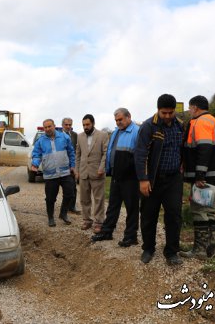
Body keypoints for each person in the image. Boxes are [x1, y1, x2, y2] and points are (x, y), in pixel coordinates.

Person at [134, 94, 184, 266]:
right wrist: (143, 179)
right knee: (148, 215)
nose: (168, 116)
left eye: (171, 113)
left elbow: (182, 149)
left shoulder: (180, 126)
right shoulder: (149, 126)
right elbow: (140, 154)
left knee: (174, 215)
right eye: (164, 113)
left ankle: (171, 252)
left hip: (174, 179)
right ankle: (148, 248)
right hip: (153, 179)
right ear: (158, 110)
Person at [180, 95, 215, 259]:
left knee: (200, 211)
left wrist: (200, 174)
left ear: (195, 107)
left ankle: (200, 250)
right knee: (210, 212)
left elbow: (205, 148)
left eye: (190, 107)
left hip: (205, 176)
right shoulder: (214, 121)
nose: (189, 110)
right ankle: (211, 249)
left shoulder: (201, 122)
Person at [91, 108, 140, 246]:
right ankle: (107, 232)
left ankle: (131, 236)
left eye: (120, 119)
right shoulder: (116, 132)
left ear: (129, 117)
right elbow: (111, 152)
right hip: (116, 176)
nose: (118, 122)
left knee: (131, 208)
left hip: (131, 177)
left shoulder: (137, 132)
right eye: (116, 120)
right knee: (113, 206)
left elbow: (140, 155)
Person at [31, 119, 76, 227]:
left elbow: (71, 152)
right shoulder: (40, 141)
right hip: (50, 174)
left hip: (65, 172)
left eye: (49, 126)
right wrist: (35, 164)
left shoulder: (64, 137)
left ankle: (63, 213)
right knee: (50, 198)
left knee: (70, 193)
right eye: (45, 127)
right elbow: (36, 154)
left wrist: (73, 165)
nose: (47, 129)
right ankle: (50, 217)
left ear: (54, 126)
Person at [75, 114, 109, 234]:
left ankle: (99, 222)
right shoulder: (79, 137)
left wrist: (102, 168)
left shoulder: (102, 135)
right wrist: (77, 170)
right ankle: (87, 220)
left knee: (99, 199)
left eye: (87, 124)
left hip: (97, 173)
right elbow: (78, 154)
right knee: (84, 199)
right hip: (84, 172)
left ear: (93, 123)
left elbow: (106, 153)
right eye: (84, 125)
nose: (85, 127)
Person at [62, 117, 80, 214]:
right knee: (66, 188)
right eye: (66, 125)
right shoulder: (59, 135)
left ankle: (72, 207)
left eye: (70, 125)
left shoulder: (75, 135)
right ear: (62, 125)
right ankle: (64, 208)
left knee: (73, 187)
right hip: (62, 166)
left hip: (72, 166)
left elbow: (77, 150)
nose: (68, 126)